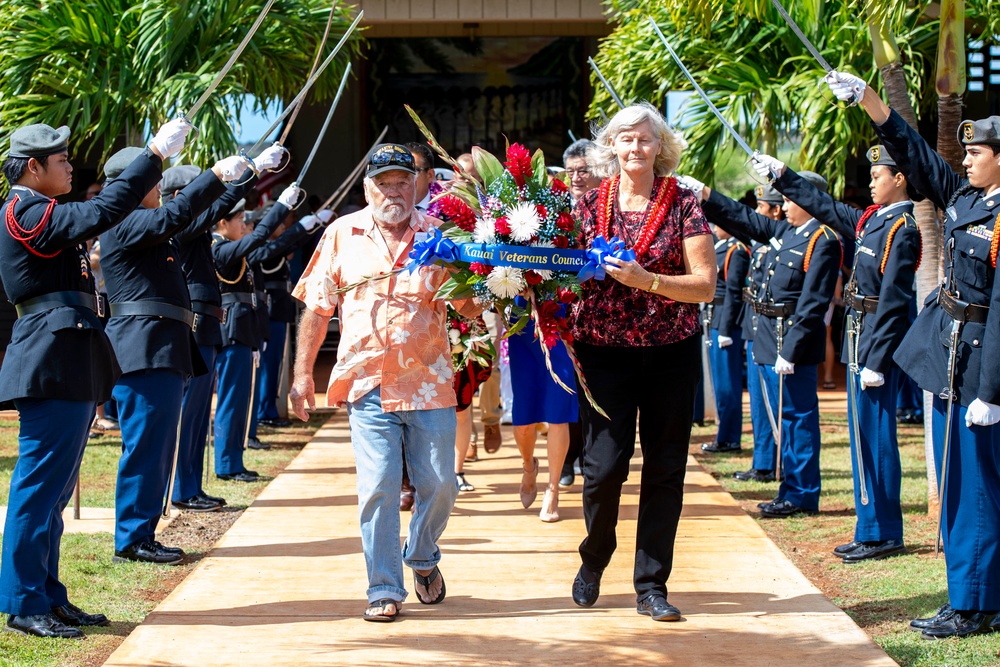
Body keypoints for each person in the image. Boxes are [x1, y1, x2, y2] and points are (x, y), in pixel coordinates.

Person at [0, 118, 190, 638]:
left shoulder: (46, 209)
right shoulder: (25, 210)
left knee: (56, 493)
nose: (69, 166)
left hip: (70, 354)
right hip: (50, 358)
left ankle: (47, 595)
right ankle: (22, 601)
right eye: (60, 160)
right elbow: (106, 209)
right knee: (38, 490)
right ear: (33, 168)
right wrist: (151, 155)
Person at [827, 71, 1000, 638]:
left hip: (980, 367)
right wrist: (869, 100)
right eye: (967, 152)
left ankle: (977, 603)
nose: (967, 160)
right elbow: (915, 153)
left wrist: (992, 391)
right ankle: (963, 595)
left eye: (977, 152)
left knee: (976, 487)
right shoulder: (966, 198)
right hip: (949, 359)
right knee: (955, 483)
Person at [289, 144, 479, 622]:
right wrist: (300, 374)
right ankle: (384, 587)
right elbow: (316, 307)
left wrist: (500, 281)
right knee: (378, 486)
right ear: (367, 187)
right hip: (367, 384)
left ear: (417, 185)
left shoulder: (441, 236)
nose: (394, 190)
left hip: (429, 383)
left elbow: (470, 309)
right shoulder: (340, 235)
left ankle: (421, 554)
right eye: (384, 182)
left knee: (439, 485)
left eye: (402, 181)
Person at [568, 103, 716, 622]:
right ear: (612, 146)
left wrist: (647, 280)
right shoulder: (585, 206)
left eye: (645, 140)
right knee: (603, 471)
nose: (635, 149)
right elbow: (555, 268)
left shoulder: (685, 204)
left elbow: (705, 285)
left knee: (665, 470)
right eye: (626, 140)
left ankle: (651, 584)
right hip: (602, 354)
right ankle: (594, 557)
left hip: (670, 353)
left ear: (661, 147)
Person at [751, 147, 920, 562]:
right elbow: (824, 206)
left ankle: (883, 532)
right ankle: (869, 527)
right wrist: (783, 175)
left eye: (878, 174)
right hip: (858, 336)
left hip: (874, 340)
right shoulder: (872, 220)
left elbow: (896, 300)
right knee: (861, 438)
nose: (872, 181)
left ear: (899, 178)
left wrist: (878, 359)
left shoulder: (903, 227)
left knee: (876, 440)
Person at [98, 146, 248, 563]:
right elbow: (177, 215)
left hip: (160, 346)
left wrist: (241, 175)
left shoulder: (140, 223)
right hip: (142, 347)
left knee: (157, 444)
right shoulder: (125, 219)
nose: (159, 186)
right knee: (146, 445)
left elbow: (180, 216)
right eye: (152, 179)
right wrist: (219, 175)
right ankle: (131, 538)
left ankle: (141, 532)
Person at [684, 169, 842, 519]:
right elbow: (746, 219)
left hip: (791, 343)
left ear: (810, 200)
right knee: (779, 419)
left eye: (789, 199)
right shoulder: (788, 232)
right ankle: (789, 489)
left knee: (797, 419)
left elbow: (813, 302)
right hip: (771, 336)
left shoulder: (822, 239)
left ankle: (802, 494)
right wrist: (707, 194)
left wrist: (792, 350)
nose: (784, 206)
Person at [168, 148, 284, 510]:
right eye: (196, 192)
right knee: (189, 416)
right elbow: (219, 207)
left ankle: (191, 486)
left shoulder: (197, 229)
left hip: (208, 325)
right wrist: (251, 171)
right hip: (197, 323)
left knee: (200, 416)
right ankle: (182, 489)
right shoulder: (183, 224)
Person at [212, 186, 299, 482]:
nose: (244, 225)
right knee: (231, 400)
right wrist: (282, 208)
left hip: (245, 326)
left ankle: (234, 460)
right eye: (239, 220)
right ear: (223, 223)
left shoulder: (231, 247)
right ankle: (226, 462)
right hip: (233, 329)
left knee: (240, 400)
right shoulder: (220, 247)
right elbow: (260, 239)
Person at [246, 205, 326, 449]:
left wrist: (312, 228)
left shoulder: (274, 247)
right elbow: (281, 247)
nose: (282, 227)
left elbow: (289, 245)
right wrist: (303, 226)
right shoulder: (262, 248)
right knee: (268, 365)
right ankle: (264, 410)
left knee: (275, 366)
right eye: (278, 224)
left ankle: (268, 407)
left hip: (278, 309)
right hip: (269, 311)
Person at [507, 299, 577, 522]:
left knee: (559, 414)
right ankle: (529, 466)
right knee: (524, 421)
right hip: (522, 323)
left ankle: (552, 490)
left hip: (561, 319)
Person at [560, 139, 603, 488]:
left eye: (583, 170)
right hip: (561, 314)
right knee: (567, 391)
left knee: (595, 391)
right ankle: (566, 459)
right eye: (571, 171)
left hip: (600, 314)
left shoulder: (607, 208)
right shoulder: (556, 210)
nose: (576, 177)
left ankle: (593, 461)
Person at [699, 224, 749, 453]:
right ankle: (724, 434)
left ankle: (730, 438)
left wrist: (727, 330)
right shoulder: (718, 246)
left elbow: (733, 292)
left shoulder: (736, 250)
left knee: (728, 384)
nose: (715, 227)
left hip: (724, 322)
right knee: (719, 384)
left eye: (720, 222)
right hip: (713, 318)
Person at [563, 139, 602, 203]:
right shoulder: (557, 206)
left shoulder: (612, 204)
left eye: (582, 171)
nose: (575, 179)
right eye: (570, 172)